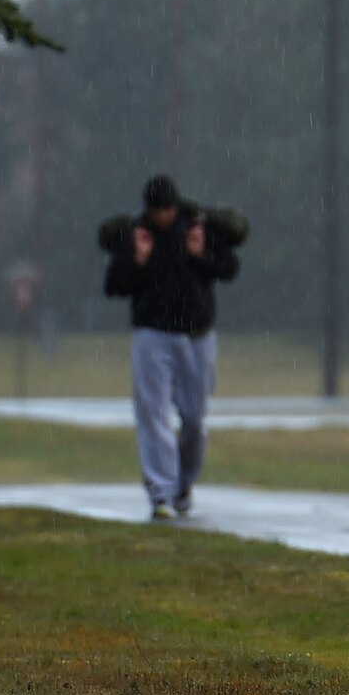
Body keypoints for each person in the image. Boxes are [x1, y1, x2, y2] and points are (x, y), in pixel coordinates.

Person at [103, 174, 240, 520]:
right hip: (152, 333)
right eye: (156, 211)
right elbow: (114, 284)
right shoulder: (138, 234)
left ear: (174, 206)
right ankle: (160, 492)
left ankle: (182, 484)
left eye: (166, 210)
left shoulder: (197, 228)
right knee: (153, 413)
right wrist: (138, 259)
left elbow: (228, 268)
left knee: (195, 418)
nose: (161, 217)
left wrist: (199, 255)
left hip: (197, 335)